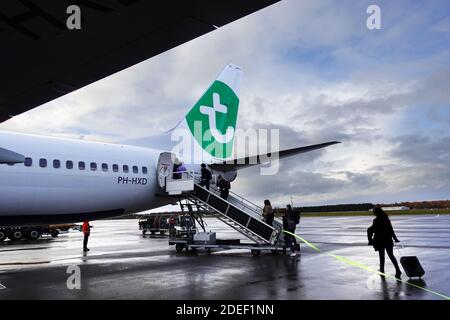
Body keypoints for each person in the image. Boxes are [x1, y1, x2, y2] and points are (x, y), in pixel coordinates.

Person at [367, 206, 402, 278]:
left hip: (379, 240)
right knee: (391, 255)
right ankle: (397, 270)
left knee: (381, 256)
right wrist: (395, 238)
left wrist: (370, 239)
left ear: (376, 213)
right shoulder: (386, 219)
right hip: (388, 240)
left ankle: (382, 270)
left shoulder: (376, 220)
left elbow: (372, 229)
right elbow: (391, 230)